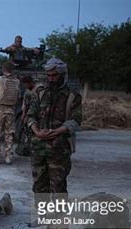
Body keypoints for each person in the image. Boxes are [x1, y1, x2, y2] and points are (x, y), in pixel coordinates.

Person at [26, 57, 82, 193]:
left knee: (58, 186)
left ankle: (59, 214)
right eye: (48, 75)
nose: (51, 79)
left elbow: (76, 121)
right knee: (39, 186)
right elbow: (30, 116)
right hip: (38, 148)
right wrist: (37, 131)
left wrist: (56, 132)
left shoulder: (72, 96)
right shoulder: (40, 94)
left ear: (63, 75)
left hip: (59, 150)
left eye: (54, 75)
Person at [15, 76, 42, 156]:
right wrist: (23, 115)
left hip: (37, 115)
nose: (25, 86)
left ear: (30, 82)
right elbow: (25, 104)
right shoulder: (27, 90)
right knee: (28, 133)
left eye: (26, 84)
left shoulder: (39, 89)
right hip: (29, 115)